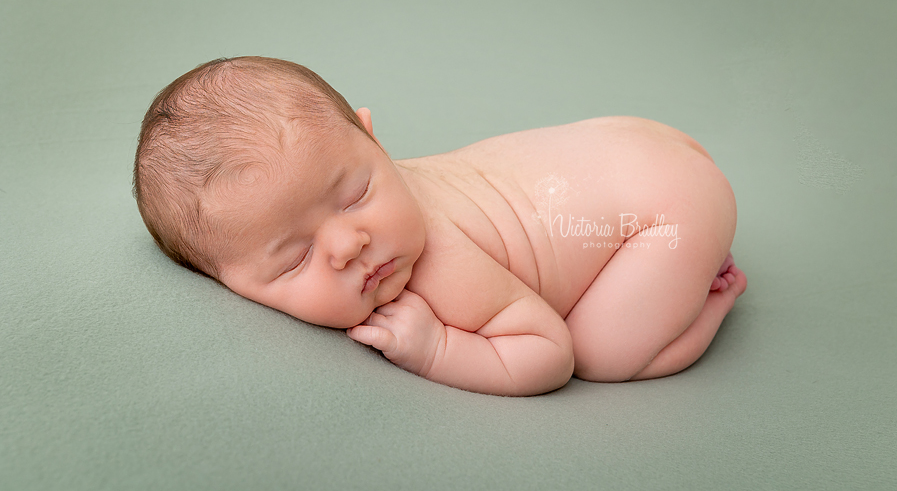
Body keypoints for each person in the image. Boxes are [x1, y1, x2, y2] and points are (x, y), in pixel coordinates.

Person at [134, 56, 747, 396]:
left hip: (668, 211)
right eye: (294, 259)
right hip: (627, 144)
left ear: (371, 137)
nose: (351, 245)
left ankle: (716, 295)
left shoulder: (444, 260)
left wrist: (439, 349)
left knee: (600, 353)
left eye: (355, 196)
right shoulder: (369, 189)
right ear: (231, 286)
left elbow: (547, 355)